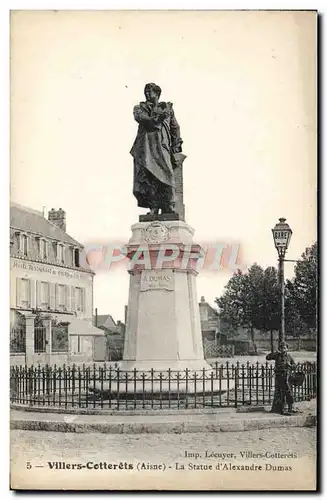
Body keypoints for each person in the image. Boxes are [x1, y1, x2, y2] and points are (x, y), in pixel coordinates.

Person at [130, 83, 183, 215]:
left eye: (150, 92)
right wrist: (159, 117)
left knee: (167, 175)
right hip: (147, 147)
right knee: (150, 178)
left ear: (157, 94)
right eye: (146, 92)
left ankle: (169, 205)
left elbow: (175, 127)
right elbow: (143, 119)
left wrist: (176, 146)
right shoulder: (139, 108)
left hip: (163, 147)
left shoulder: (167, 109)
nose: (147, 94)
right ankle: (153, 208)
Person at [266, 342, 297, 415]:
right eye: (281, 348)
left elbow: (295, 366)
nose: (283, 349)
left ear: (287, 349)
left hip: (287, 377)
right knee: (281, 394)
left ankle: (290, 408)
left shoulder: (289, 356)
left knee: (289, 392)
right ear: (279, 348)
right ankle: (282, 409)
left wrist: (290, 365)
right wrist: (274, 353)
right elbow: (268, 357)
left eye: (284, 348)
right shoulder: (277, 355)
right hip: (279, 377)